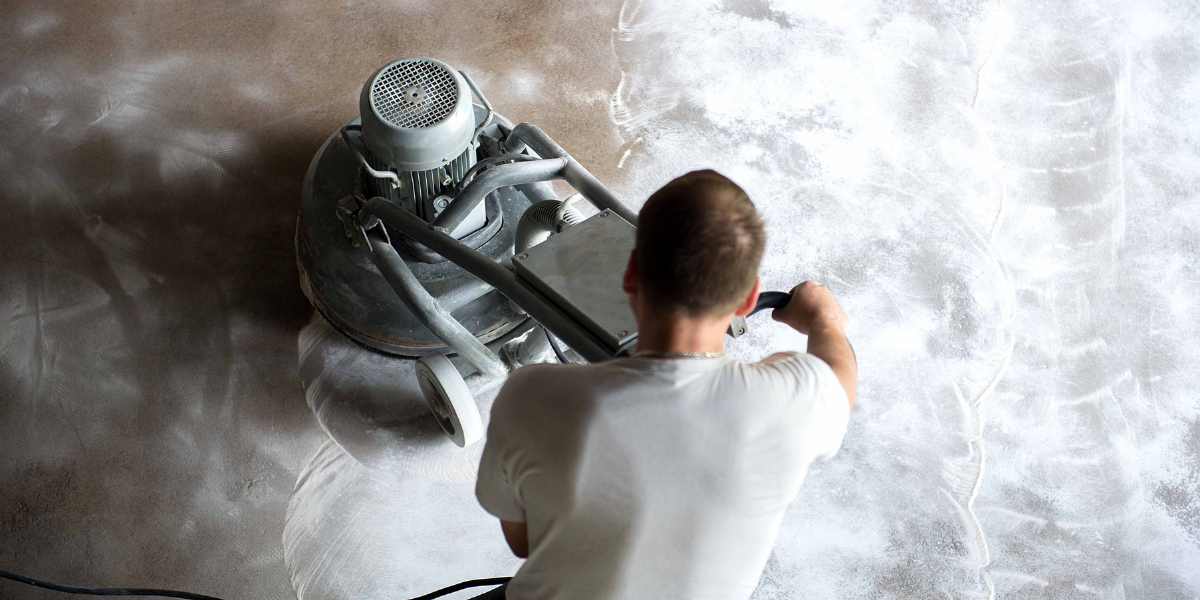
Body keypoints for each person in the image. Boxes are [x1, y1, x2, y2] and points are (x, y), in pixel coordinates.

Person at [474, 169, 857, 600]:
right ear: (749, 299)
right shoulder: (795, 404)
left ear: (630, 274)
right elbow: (839, 379)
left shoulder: (530, 397)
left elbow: (523, 543)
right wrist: (825, 320)